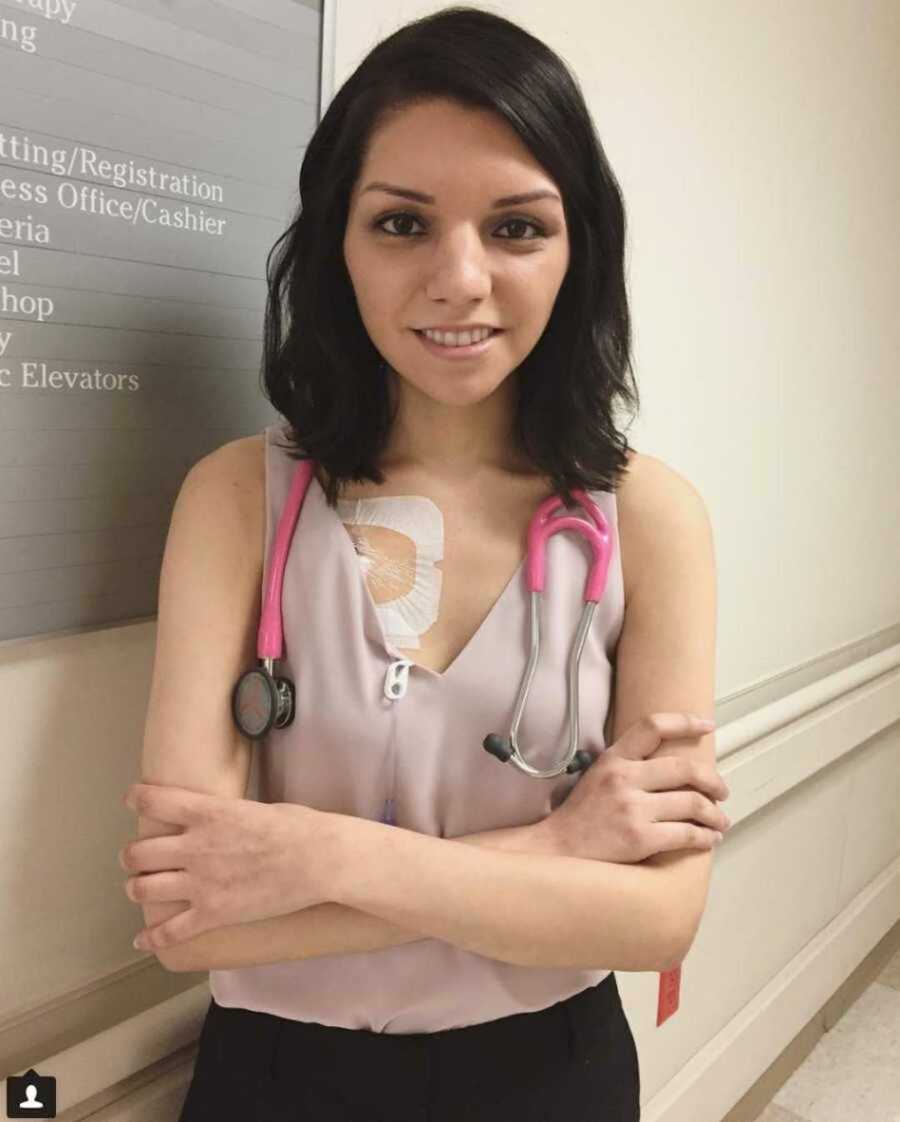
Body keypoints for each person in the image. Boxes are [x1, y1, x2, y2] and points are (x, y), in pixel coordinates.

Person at [123, 7, 730, 1119]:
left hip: (553, 1074)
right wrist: (559, 847)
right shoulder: (236, 501)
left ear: (578, 248)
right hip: (279, 1077)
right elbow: (188, 919)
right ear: (335, 243)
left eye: (516, 228)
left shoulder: (650, 521)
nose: (460, 279)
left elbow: (656, 920)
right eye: (403, 224)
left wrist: (312, 855)